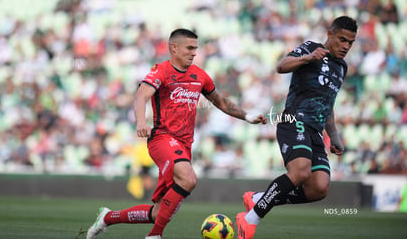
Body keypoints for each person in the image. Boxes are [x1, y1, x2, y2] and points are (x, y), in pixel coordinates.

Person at [86, 28, 267, 239]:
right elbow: (141, 96)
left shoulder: (200, 76)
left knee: (158, 212)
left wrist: (247, 116)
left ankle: (108, 218)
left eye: (195, 49)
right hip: (162, 139)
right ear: (174, 47)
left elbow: (221, 102)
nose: (194, 53)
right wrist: (141, 121)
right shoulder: (160, 71)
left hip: (184, 145)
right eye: (189, 48)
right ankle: (155, 235)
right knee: (189, 179)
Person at [236, 16, 358, 239]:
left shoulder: (341, 67)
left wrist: (334, 135)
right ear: (330, 34)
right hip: (295, 121)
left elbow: (328, 102)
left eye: (350, 42)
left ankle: (258, 199)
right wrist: (308, 58)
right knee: (300, 172)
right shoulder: (312, 48)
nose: (346, 46)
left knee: (319, 188)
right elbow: (281, 66)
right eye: (342, 40)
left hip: (316, 131)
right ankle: (250, 218)